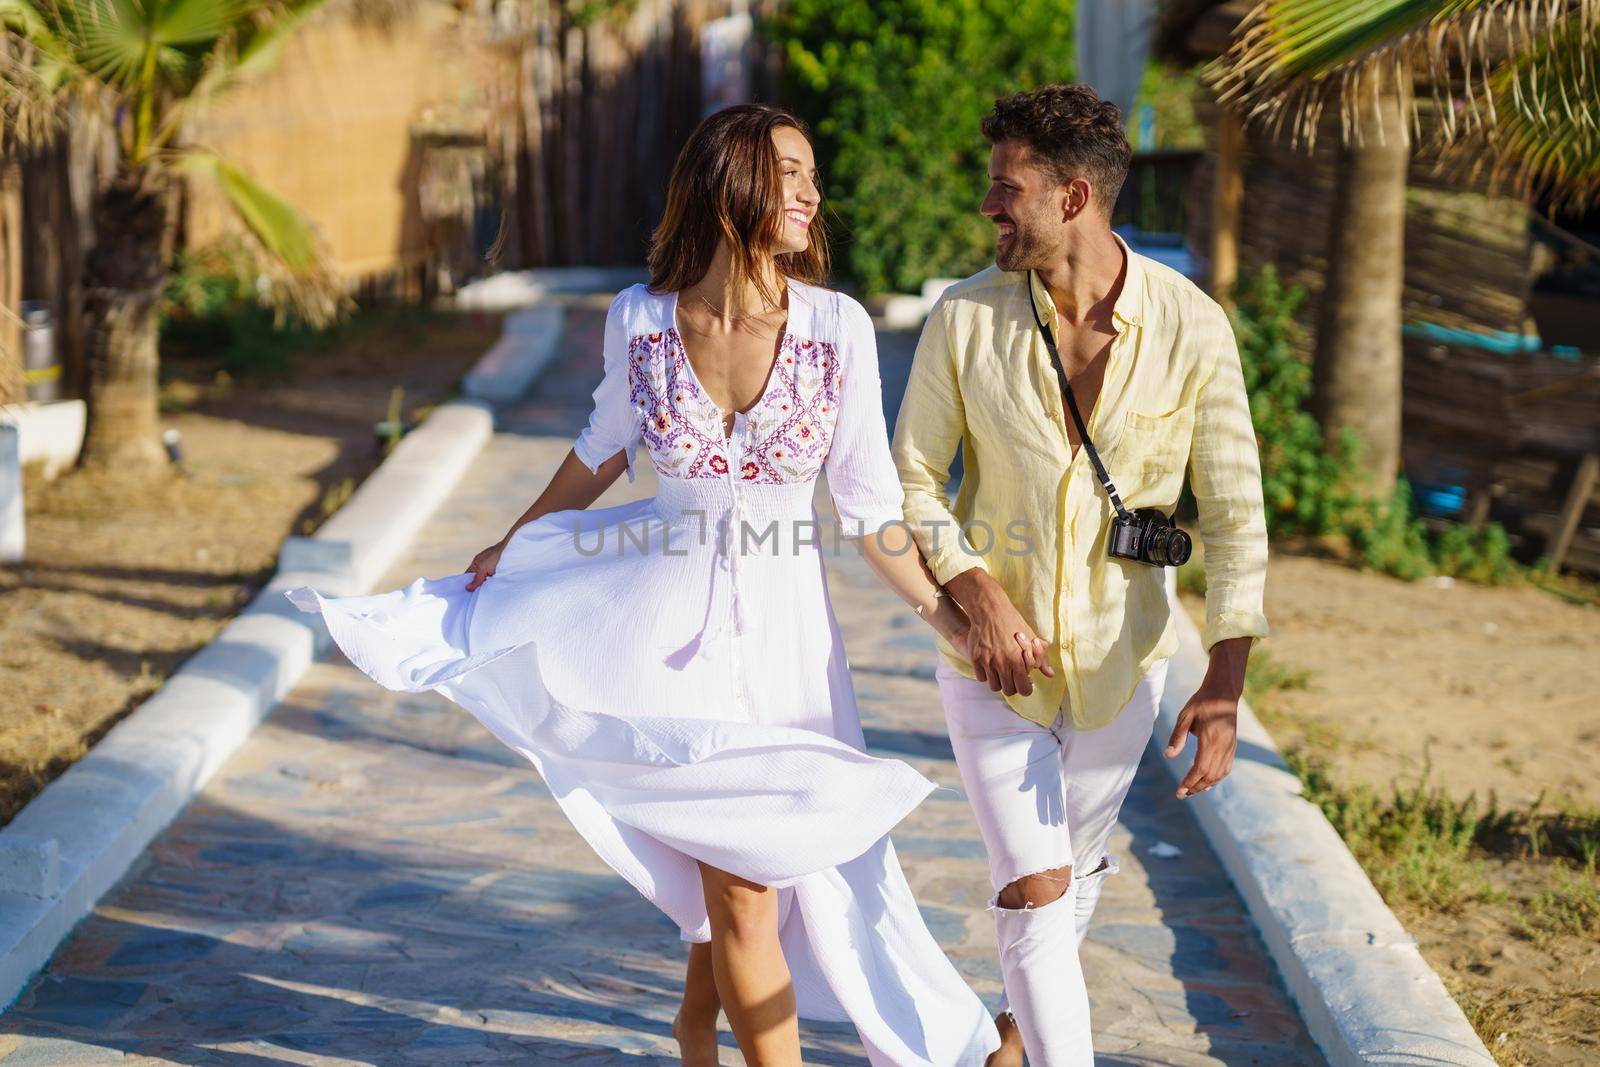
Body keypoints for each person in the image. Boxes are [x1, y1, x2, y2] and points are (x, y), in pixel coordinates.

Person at [286, 103, 1000, 1067]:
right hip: (661, 646)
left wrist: (950, 620)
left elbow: (870, 509)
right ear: (730, 180)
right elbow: (598, 454)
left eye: (812, 175)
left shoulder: (837, 328)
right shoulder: (643, 320)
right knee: (746, 885)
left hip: (788, 651)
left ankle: (696, 1025)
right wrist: (517, 539)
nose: (810, 193)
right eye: (788, 171)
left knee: (773, 867)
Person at [891, 84, 1270, 1066]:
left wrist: (1222, 682)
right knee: (1034, 880)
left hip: (1124, 659)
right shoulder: (964, 319)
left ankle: (1011, 1040)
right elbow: (912, 476)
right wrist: (973, 590)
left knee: (1072, 867)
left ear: (1069, 197)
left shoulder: (1192, 328)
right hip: (990, 664)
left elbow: (1232, 511)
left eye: (1003, 188)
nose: (988, 207)